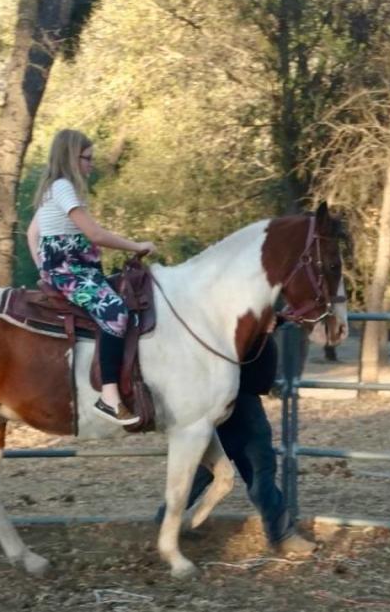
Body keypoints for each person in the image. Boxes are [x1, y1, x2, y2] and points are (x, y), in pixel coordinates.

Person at [27, 129, 156, 426]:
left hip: (68, 270)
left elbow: (32, 233)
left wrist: (44, 269)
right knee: (115, 312)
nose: (91, 164)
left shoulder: (53, 189)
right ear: (72, 157)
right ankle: (109, 396)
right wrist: (138, 246)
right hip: (72, 272)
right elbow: (94, 234)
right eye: (87, 158)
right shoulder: (63, 188)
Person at [156, 330, 317, 556]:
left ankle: (164, 523)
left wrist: (275, 319)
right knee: (247, 470)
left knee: (226, 469)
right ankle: (283, 535)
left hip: (240, 397)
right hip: (235, 399)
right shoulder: (234, 314)